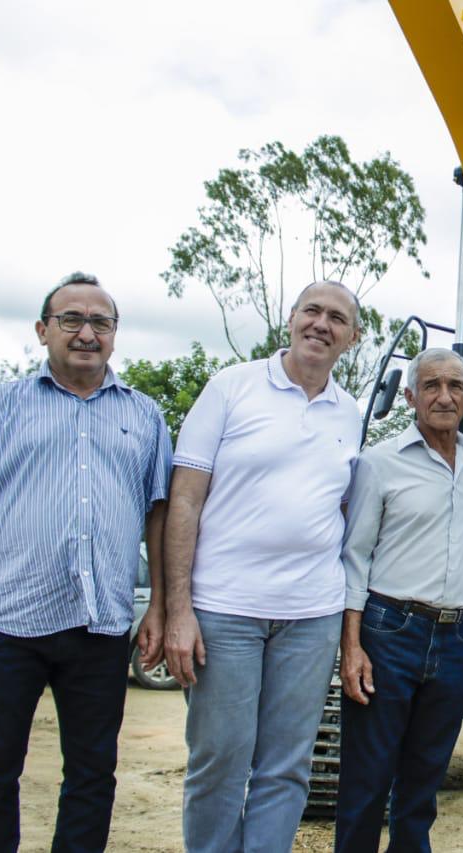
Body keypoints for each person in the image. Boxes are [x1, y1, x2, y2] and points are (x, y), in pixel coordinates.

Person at [0, 271, 172, 851]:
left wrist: (161, 605)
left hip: (101, 625)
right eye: (72, 320)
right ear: (43, 330)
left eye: (101, 323)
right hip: (7, 623)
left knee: (91, 776)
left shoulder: (145, 416)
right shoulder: (0, 406)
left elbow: (159, 520)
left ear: (115, 335)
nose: (87, 332)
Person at [162, 281, 362, 853]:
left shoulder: (348, 412)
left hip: (311, 615)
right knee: (219, 763)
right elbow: (185, 500)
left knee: (286, 768)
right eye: (312, 311)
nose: (322, 324)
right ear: (291, 318)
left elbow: (343, 509)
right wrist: (180, 609)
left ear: (351, 338)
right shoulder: (231, 387)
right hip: (225, 610)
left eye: (337, 318)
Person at [335, 348, 463, 852]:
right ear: (410, 396)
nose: (444, 396)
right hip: (387, 631)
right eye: (432, 386)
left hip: (455, 636)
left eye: (455, 387)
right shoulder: (378, 464)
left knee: (423, 781)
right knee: (368, 778)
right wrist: (351, 645)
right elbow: (354, 556)